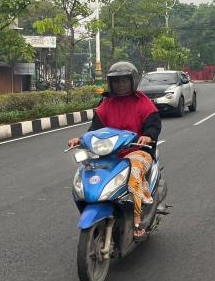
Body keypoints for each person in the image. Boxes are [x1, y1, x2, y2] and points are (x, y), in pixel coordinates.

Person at [67, 61, 161, 239]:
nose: (120, 85)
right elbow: (94, 129)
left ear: (132, 81)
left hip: (137, 150)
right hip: (110, 153)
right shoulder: (106, 104)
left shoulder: (143, 102)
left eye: (124, 80)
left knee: (135, 169)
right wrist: (80, 140)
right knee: (86, 170)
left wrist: (148, 135)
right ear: (111, 83)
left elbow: (154, 125)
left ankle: (137, 219)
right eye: (116, 81)